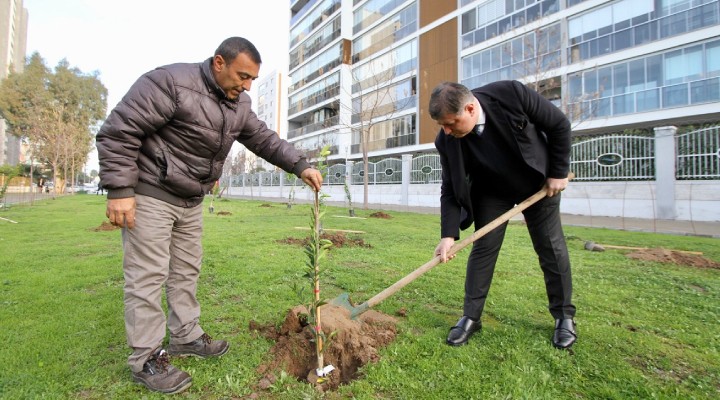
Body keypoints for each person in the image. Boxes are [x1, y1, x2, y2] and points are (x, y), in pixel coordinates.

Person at [96, 37, 323, 394]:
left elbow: (264, 139)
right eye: (243, 76)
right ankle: (146, 358)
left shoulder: (239, 104)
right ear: (219, 62)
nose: (247, 85)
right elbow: (119, 131)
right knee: (147, 276)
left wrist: (300, 165)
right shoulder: (171, 83)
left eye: (252, 80)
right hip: (152, 191)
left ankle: (186, 337)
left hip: (191, 199)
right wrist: (120, 191)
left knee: (186, 270)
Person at [429, 81, 576, 350]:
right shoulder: (446, 140)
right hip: (491, 192)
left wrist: (557, 172)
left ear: (471, 108)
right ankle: (471, 317)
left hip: (537, 184)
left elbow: (559, 125)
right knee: (483, 249)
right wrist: (448, 235)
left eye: (451, 123)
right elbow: (450, 187)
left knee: (550, 248)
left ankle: (564, 317)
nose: (447, 131)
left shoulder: (511, 94)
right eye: (442, 126)